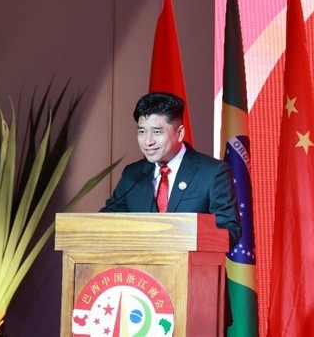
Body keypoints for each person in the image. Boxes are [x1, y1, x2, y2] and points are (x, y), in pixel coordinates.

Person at [101, 91, 241, 249]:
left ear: (180, 133)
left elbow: (230, 230)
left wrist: (184, 237)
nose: (148, 141)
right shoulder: (132, 174)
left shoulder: (212, 172)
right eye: (142, 132)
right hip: (140, 264)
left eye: (157, 132)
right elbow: (106, 221)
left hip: (191, 263)